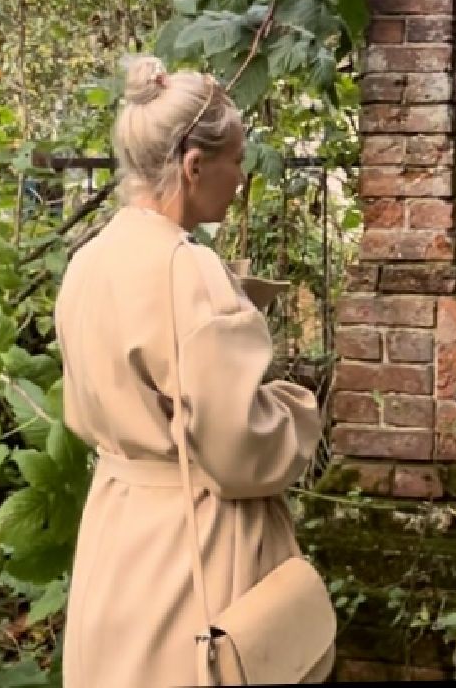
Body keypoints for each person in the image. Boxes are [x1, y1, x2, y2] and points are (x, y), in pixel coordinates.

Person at [56, 57, 324, 687]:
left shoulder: (89, 261)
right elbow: (241, 451)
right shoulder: (188, 268)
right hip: (191, 543)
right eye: (235, 159)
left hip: (115, 535)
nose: (240, 177)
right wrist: (295, 408)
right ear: (194, 165)